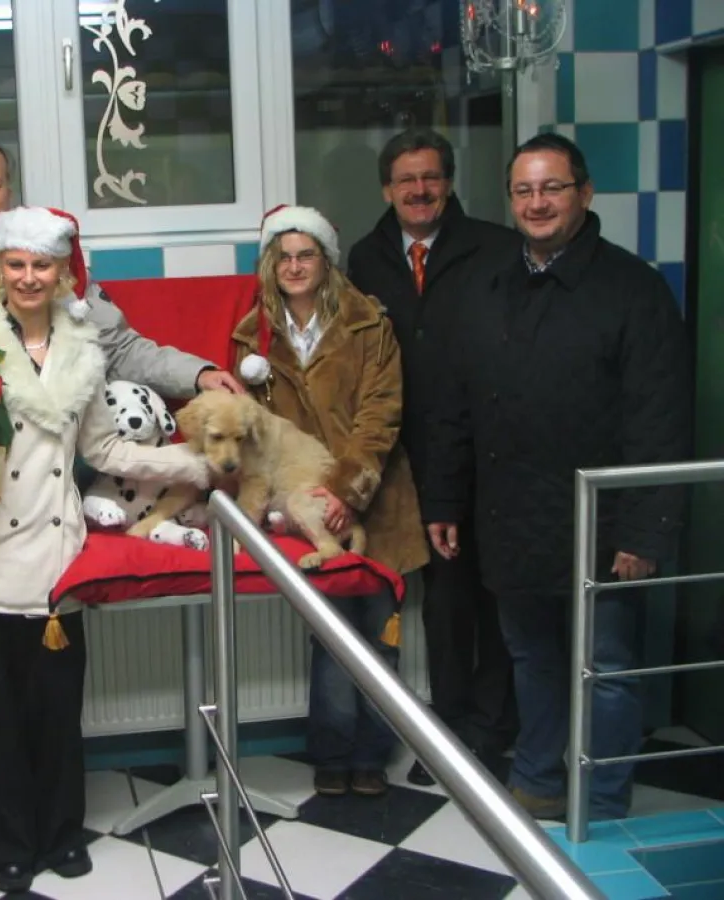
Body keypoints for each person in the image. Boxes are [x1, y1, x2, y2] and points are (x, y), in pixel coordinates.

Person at [0, 133, 242, 839]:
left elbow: (115, 398)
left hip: (51, 542)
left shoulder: (76, 330)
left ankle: (55, 825)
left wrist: (198, 430)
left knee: (51, 700)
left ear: (57, 269)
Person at [424, 133, 692, 820]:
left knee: (603, 668)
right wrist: (445, 499)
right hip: (511, 517)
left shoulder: (633, 288)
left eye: (551, 187)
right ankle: (539, 781)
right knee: (532, 660)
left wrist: (646, 527)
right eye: (523, 190)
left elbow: (658, 418)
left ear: (583, 193)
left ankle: (600, 799)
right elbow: (453, 405)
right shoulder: (485, 287)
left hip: (603, 524)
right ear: (509, 198)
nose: (536, 202)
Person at [233, 205, 429, 797]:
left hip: (376, 499)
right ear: (271, 264)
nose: (295, 266)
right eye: (284, 256)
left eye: (306, 255)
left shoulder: (371, 326)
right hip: (300, 506)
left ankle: (372, 753)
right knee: (328, 634)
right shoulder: (253, 336)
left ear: (326, 262)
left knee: (376, 633)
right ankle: (332, 750)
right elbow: (253, 430)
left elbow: (381, 417)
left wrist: (346, 490)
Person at [347, 128, 520, 786]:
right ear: (386, 189)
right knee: (443, 605)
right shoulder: (364, 260)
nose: (418, 191)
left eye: (430, 177)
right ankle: (449, 737)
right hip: (409, 463)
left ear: (447, 183)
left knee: (497, 597)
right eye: (404, 180)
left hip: (493, 453)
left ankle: (495, 730)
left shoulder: (498, 251)